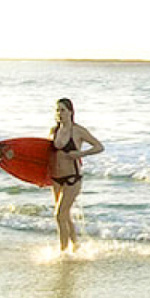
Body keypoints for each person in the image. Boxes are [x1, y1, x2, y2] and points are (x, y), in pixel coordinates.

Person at [50, 98, 103, 251]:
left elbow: (99, 147)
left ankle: (62, 251)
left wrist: (81, 153)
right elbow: (47, 155)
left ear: (71, 112)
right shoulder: (53, 131)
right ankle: (75, 246)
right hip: (56, 178)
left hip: (72, 179)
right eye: (57, 110)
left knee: (59, 215)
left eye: (63, 110)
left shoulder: (78, 131)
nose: (60, 113)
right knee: (65, 215)